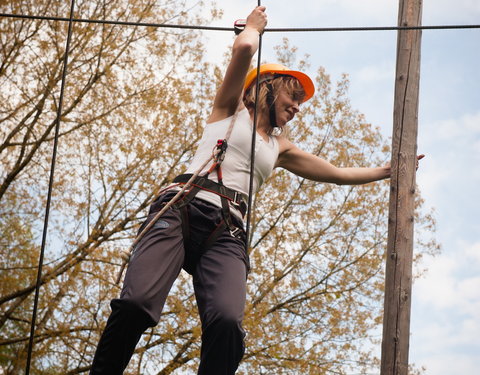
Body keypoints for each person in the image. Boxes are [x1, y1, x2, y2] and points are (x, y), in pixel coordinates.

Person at [90, 6, 422, 375]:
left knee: (228, 323)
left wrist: (387, 172)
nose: (297, 107)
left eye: (300, 102)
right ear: (267, 87)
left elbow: (335, 173)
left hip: (227, 232)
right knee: (137, 304)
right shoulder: (229, 109)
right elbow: (244, 51)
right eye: (292, 96)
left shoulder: (280, 148)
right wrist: (252, 28)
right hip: (182, 208)